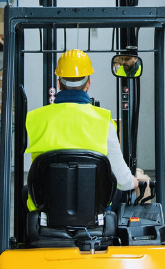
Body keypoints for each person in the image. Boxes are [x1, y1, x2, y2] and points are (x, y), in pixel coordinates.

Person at [25, 49, 150, 204]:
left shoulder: (34, 118)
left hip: (45, 211)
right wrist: (134, 182)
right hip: (95, 211)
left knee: (26, 191)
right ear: (88, 84)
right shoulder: (104, 121)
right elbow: (122, 180)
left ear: (58, 83)